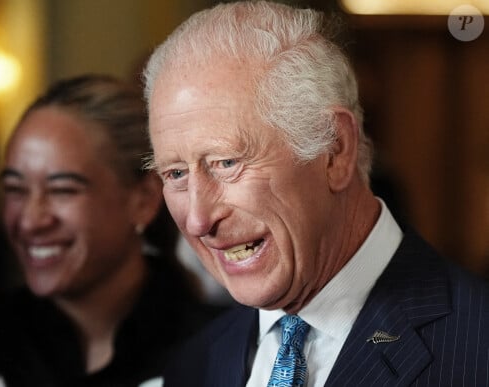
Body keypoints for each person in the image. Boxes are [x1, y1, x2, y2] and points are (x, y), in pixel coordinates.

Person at [142, 2, 489, 386]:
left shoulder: (477, 346)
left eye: (226, 163)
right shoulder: (193, 363)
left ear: (334, 151)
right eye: (175, 173)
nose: (197, 220)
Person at [0, 74, 222, 387]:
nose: (31, 220)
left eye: (62, 190)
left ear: (144, 199)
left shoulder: (223, 351)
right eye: (15, 189)